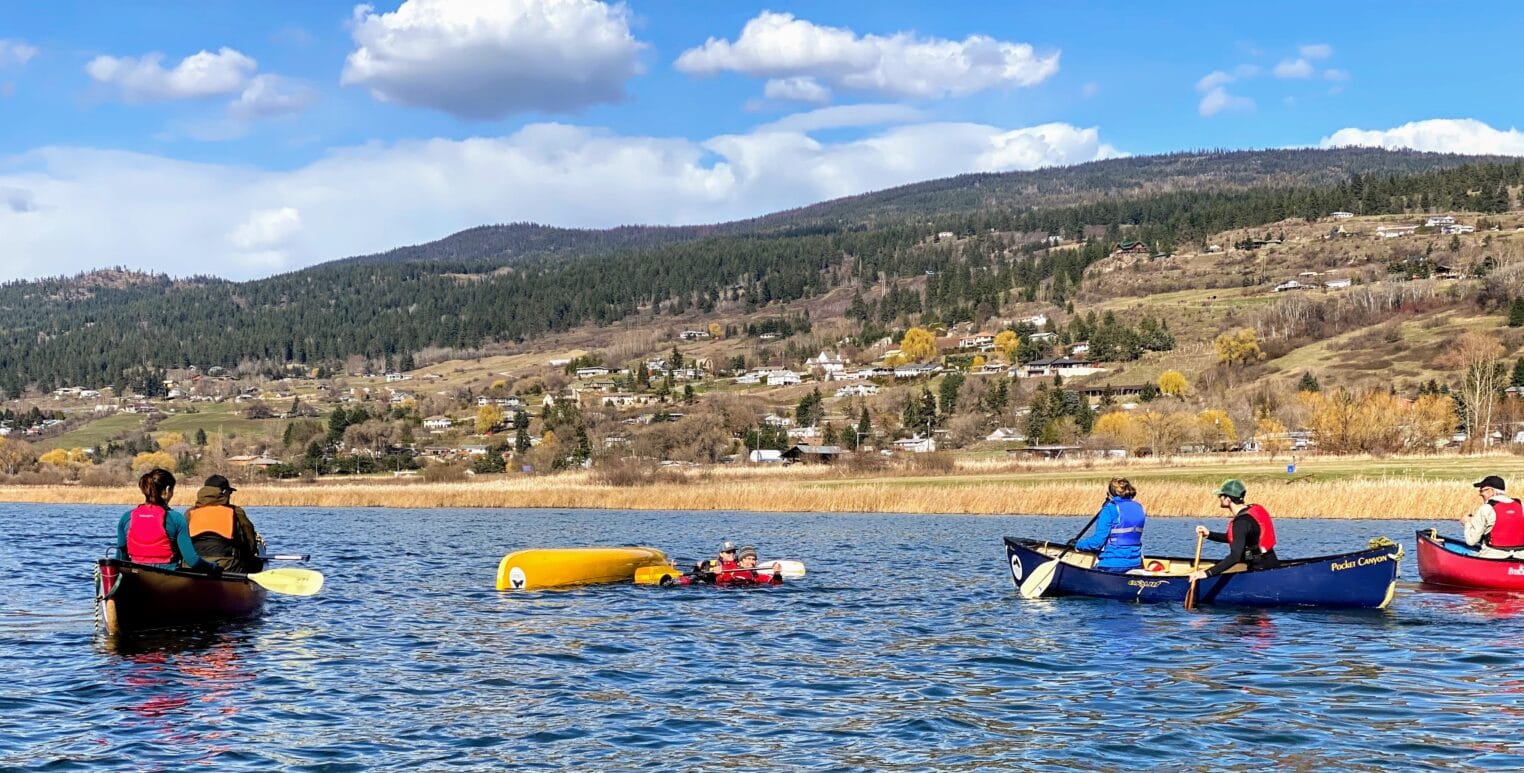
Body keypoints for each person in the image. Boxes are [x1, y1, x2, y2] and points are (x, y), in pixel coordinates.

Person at [115, 468, 222, 574]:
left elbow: (120, 557)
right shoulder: (177, 519)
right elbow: (192, 560)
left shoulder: (126, 517)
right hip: (167, 577)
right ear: (167, 490)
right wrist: (213, 567)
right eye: (172, 490)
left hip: (136, 576)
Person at [1189, 479, 1279, 582]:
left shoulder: (1241, 523)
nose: (1219, 498)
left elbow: (1235, 556)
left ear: (1228, 499)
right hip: (1270, 561)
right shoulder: (1250, 512)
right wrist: (1209, 534)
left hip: (1261, 569)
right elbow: (1237, 538)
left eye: (1220, 496)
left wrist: (1206, 573)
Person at [184, 474, 264, 572]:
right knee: (257, 563)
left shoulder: (189, 513)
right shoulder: (236, 512)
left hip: (192, 565)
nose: (230, 495)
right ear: (224, 492)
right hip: (227, 566)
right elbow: (249, 542)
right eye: (230, 492)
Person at [1074, 477, 1146, 572]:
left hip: (1111, 564)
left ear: (1109, 494)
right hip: (1135, 563)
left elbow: (1097, 543)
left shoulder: (1110, 509)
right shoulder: (1139, 508)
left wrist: (1077, 544)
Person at [1462, 475, 1524, 558]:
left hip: (1493, 556)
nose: (1480, 494)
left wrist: (1467, 523)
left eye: (1482, 490)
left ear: (1491, 491)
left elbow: (1471, 541)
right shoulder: (1521, 506)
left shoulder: (1486, 509)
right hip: (1520, 557)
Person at [714, 546, 783, 587]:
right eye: (748, 559)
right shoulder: (730, 571)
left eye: (753, 559)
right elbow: (720, 583)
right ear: (741, 561)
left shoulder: (757, 576)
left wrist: (777, 574)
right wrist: (718, 575)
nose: (751, 562)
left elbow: (776, 584)